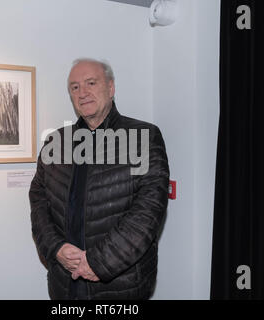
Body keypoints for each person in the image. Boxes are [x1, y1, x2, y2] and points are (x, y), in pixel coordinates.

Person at [29, 58, 169, 300]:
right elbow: (38, 200)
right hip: (65, 282)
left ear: (111, 88)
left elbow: (148, 213)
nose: (82, 93)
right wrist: (55, 248)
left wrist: (97, 263)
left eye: (91, 83)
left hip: (119, 284)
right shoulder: (55, 142)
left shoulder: (143, 137)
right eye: (74, 87)